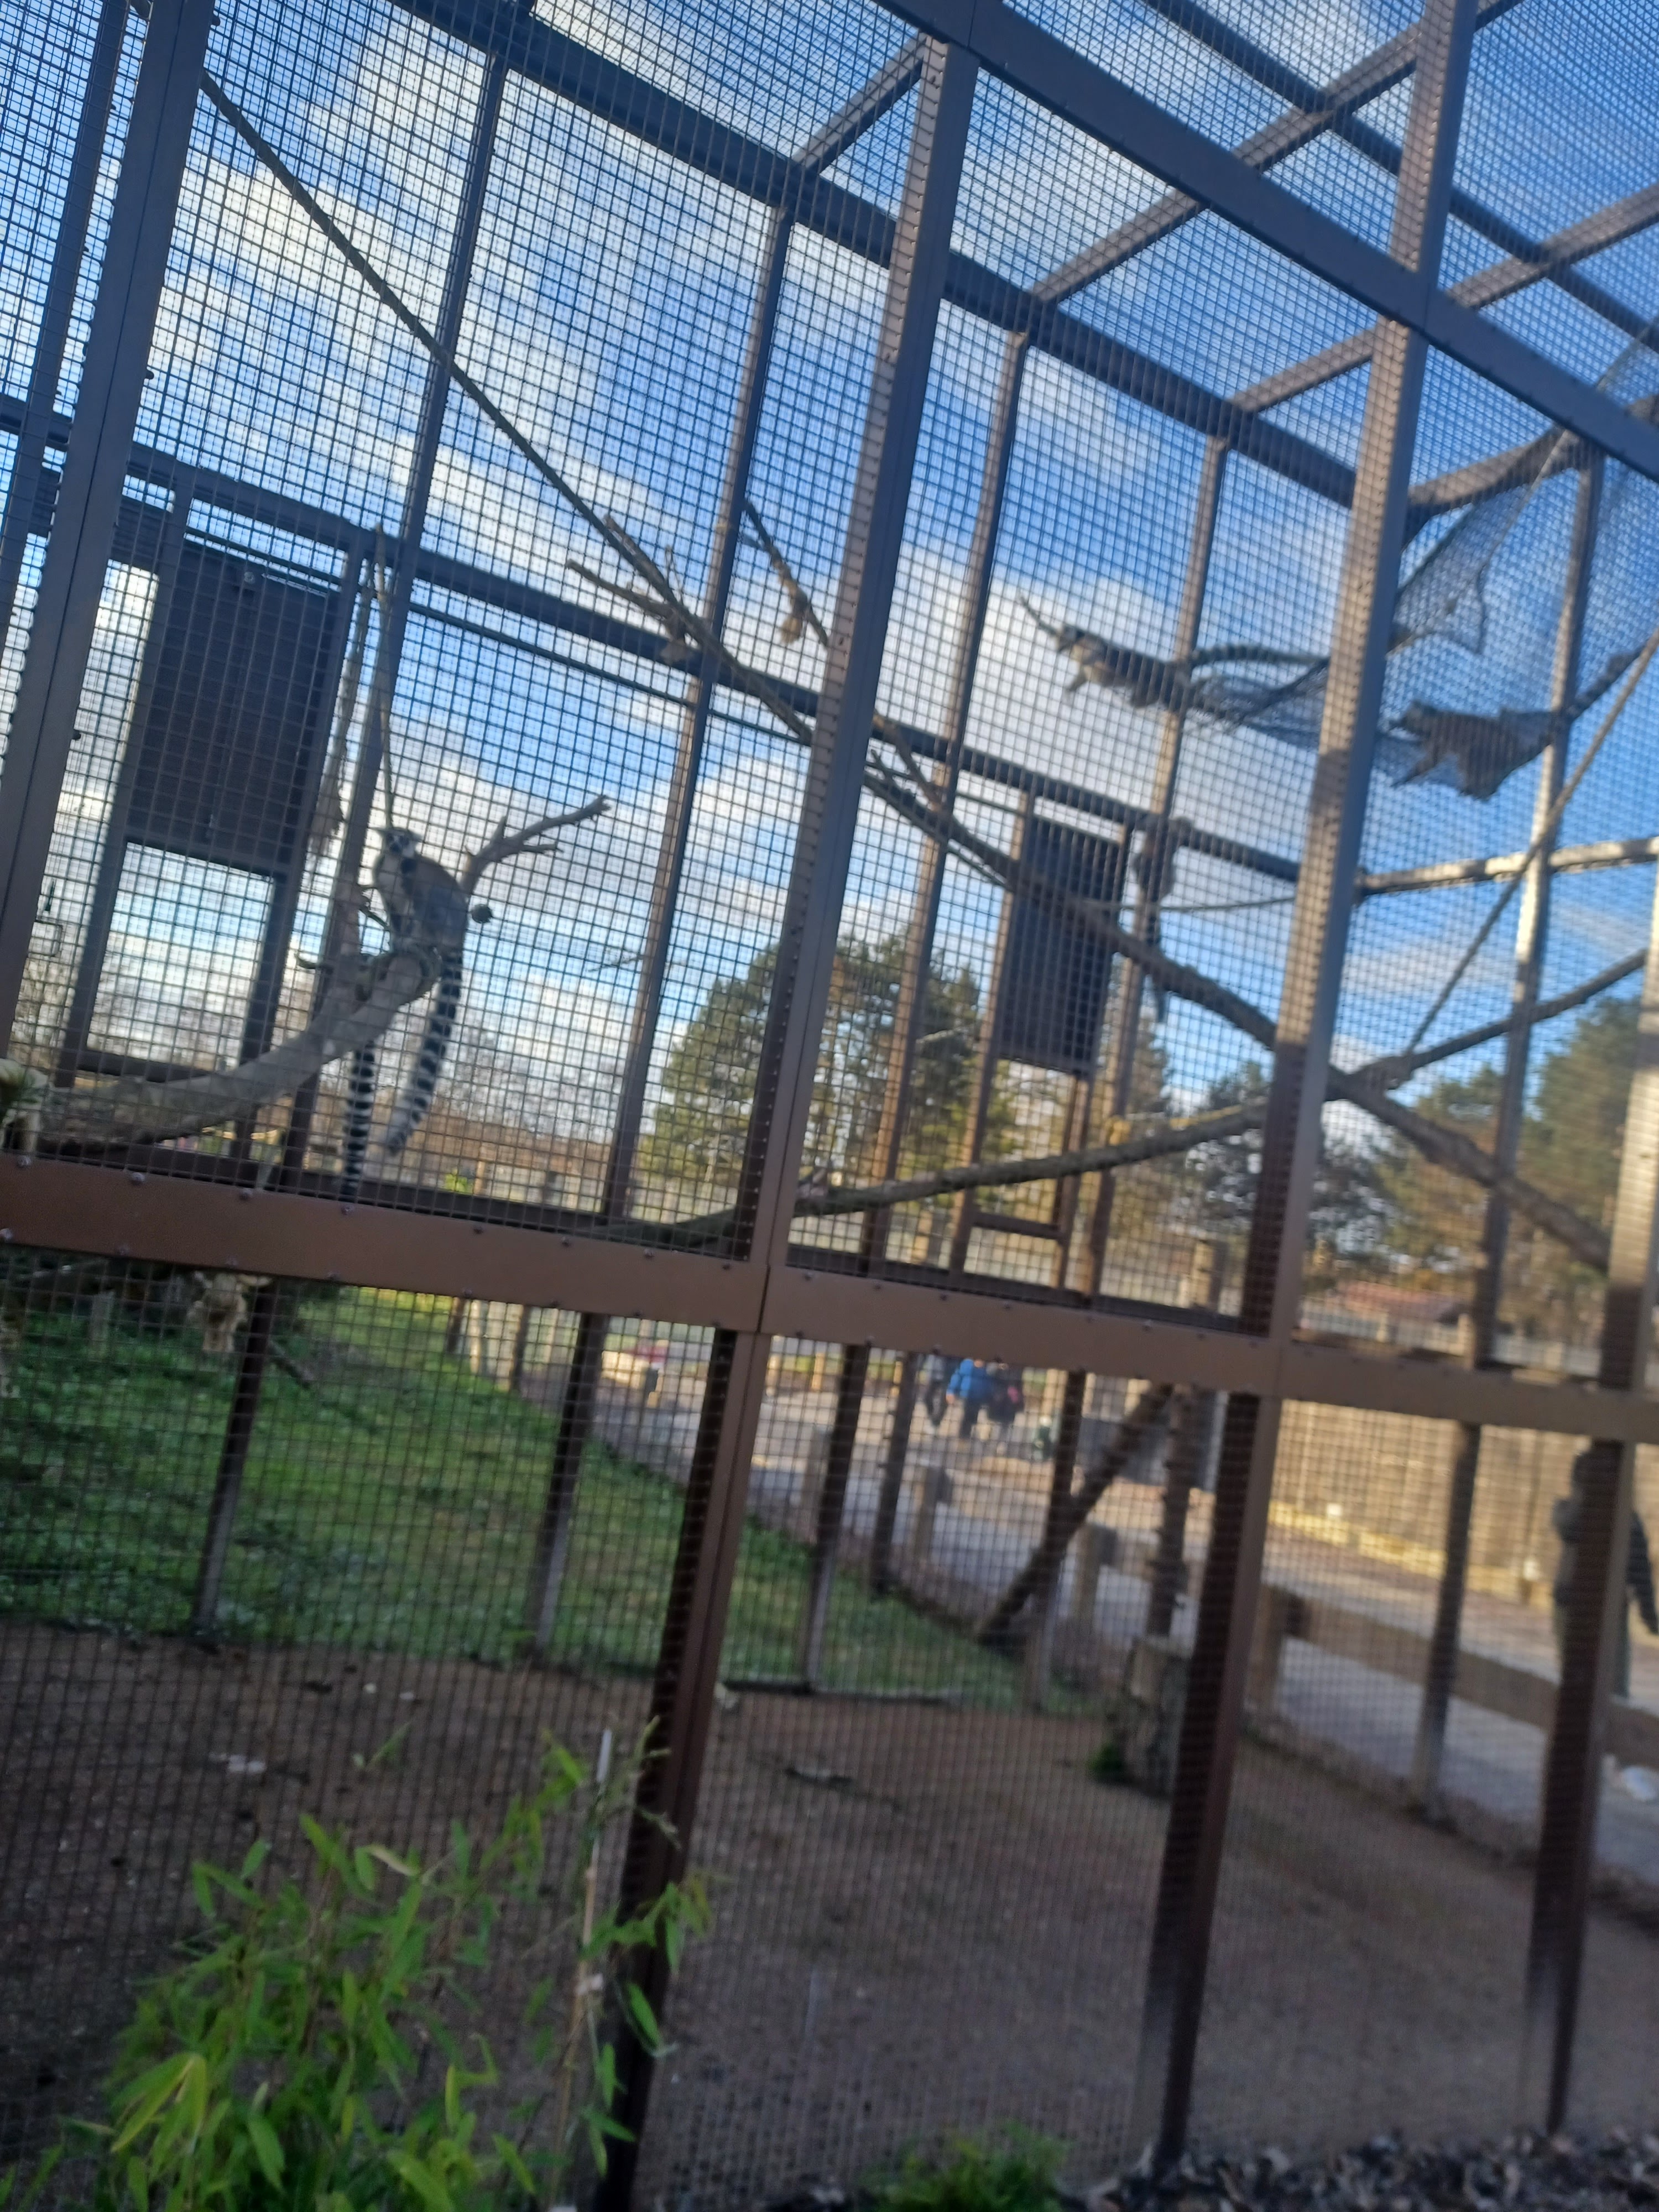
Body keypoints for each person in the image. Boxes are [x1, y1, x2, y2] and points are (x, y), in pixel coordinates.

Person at [1551, 1450, 1659, 1699]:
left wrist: (1650, 1616)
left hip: (1597, 1610)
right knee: (1596, 1688)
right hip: (1586, 1608)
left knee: (1597, 1689)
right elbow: (1641, 1573)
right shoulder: (1575, 1514)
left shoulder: (1622, 1521)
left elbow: (1640, 1572)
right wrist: (1650, 1617)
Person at [947, 1358, 995, 1438]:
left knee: (974, 1419)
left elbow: (989, 1383)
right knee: (962, 1418)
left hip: (978, 1398)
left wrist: (989, 1396)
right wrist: (951, 1391)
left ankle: (969, 1435)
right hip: (965, 1396)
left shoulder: (988, 1369)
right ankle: (961, 1436)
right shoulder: (967, 1364)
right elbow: (957, 1377)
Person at [921, 1352, 952, 1430]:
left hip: (945, 1376)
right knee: (927, 1398)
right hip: (931, 1375)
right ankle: (932, 1418)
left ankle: (936, 1424)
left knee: (943, 1401)